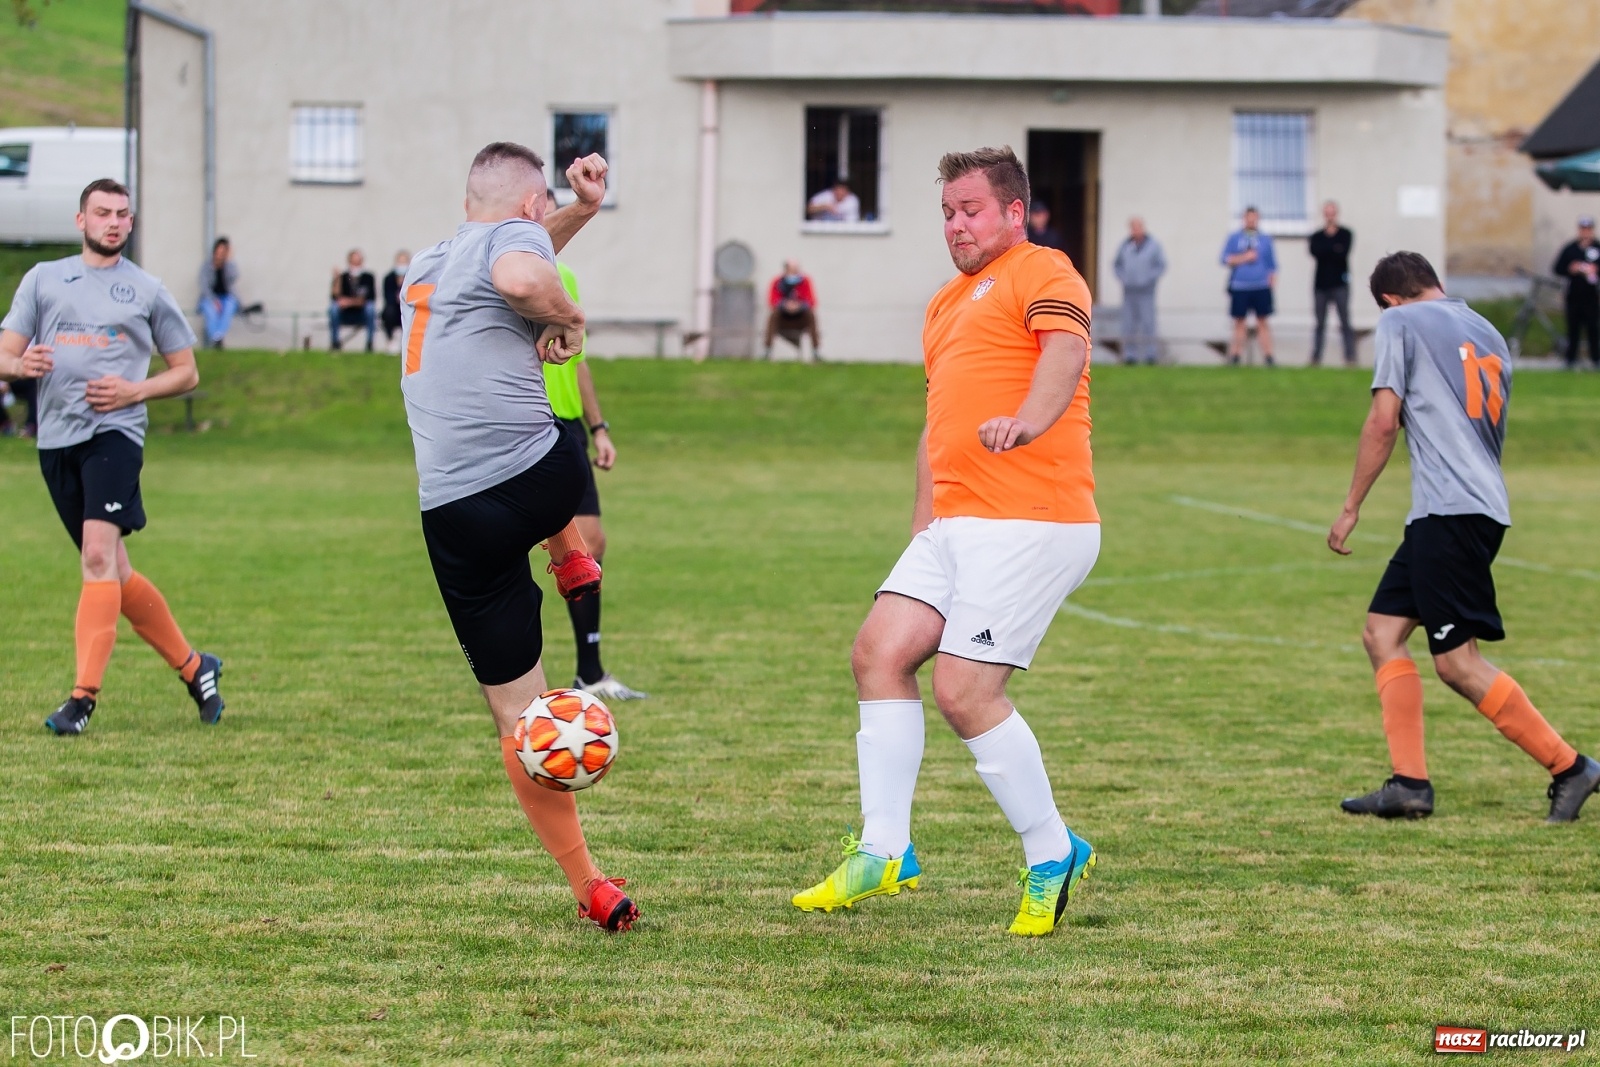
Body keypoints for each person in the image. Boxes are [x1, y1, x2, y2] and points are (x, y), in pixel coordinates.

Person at [792, 146, 1100, 937]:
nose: (956, 225)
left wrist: (1028, 420)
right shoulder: (943, 304)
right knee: (878, 653)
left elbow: (1066, 353)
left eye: (970, 210)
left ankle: (1052, 850)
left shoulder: (1044, 270)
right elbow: (940, 425)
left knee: (964, 691)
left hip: (1034, 518)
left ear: (1013, 212)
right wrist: (923, 527)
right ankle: (885, 849)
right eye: (947, 213)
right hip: (956, 526)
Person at [398, 141, 638, 931]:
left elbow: (514, 256)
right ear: (531, 205)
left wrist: (583, 212)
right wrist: (569, 319)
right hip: (537, 479)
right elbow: (523, 276)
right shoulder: (513, 245)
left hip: (452, 513)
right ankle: (569, 552)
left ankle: (589, 885)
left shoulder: (428, 265)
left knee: (522, 719)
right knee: (557, 444)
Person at [1328, 251, 1599, 823]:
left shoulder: (1400, 322)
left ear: (1390, 300)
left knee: (1457, 663)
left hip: (1451, 512)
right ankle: (1409, 785)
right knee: (1382, 632)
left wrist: (1351, 506)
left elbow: (1383, 420)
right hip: (1466, 507)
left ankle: (1570, 767)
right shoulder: (1487, 331)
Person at [0, 178, 225, 735]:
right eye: (103, 213)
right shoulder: (44, 278)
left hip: (115, 435)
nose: (114, 222)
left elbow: (187, 372)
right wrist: (20, 366)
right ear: (81, 220)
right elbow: (4, 354)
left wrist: (134, 391)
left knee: (98, 556)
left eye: (123, 214)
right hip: (56, 440)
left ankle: (81, 699)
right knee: (114, 571)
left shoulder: (147, 290)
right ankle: (195, 667)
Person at [541, 192, 647, 703]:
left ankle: (590, 673)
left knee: (590, 545)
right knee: (508, 550)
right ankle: (511, 675)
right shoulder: (502, 280)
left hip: (569, 431)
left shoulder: (565, 277)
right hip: (525, 423)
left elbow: (578, 362)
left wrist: (599, 426)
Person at [1219, 207, 1277, 366]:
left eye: (1254, 218)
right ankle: (1235, 356)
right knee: (1239, 322)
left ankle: (1269, 356)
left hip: (1261, 286)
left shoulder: (1265, 239)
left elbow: (1272, 265)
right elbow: (1225, 259)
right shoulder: (1234, 238)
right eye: (1248, 218)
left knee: (1262, 321)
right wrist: (1244, 257)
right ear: (1244, 219)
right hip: (1240, 286)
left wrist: (1271, 282)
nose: (1251, 221)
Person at [1308, 201, 1356, 366]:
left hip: (1340, 284)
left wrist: (1329, 250)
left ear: (1336, 214)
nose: (1330, 216)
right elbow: (1316, 252)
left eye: (1332, 212)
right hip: (1321, 285)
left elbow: (1342, 253)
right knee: (1320, 323)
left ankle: (1350, 357)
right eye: (1327, 213)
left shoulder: (1345, 234)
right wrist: (1333, 249)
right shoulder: (1317, 236)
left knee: (1345, 321)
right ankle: (1316, 358)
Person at [1113, 216, 1166, 365]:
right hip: (1129, 292)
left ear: (1143, 228)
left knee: (1148, 323)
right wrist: (1124, 278)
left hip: (1146, 292)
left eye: (1138, 227)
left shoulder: (1153, 246)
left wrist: (1149, 279)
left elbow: (1161, 265)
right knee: (1129, 324)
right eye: (1133, 228)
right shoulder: (1125, 246)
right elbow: (1117, 265)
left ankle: (1150, 355)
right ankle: (1130, 355)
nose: (1135, 230)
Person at [1553, 216, 1599, 369]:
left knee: (1593, 328)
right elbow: (1557, 268)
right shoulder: (1570, 249)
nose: (1585, 232)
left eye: (1588, 229)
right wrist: (1571, 269)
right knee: (1573, 329)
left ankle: (1596, 359)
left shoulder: (1597, 247)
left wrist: (1595, 269)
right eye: (1583, 229)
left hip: (1592, 296)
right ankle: (1570, 360)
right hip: (1574, 295)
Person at [763, 260, 821, 360]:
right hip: (783, 320)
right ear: (786, 270)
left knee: (810, 314)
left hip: (800, 319)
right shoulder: (777, 282)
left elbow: (811, 301)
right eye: (792, 270)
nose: (795, 272)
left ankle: (815, 352)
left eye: (796, 270)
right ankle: (767, 351)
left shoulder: (805, 281)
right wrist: (785, 305)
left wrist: (799, 306)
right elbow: (772, 301)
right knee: (774, 314)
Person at [328, 249, 377, 351]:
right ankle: (335, 342)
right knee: (333, 308)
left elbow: (369, 298)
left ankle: (369, 343)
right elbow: (335, 297)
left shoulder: (368, 277)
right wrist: (337, 278)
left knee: (371, 308)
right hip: (345, 313)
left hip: (362, 313)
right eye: (353, 262)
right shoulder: (343, 277)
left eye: (358, 262)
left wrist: (349, 302)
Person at [197, 236, 239, 350]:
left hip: (226, 298)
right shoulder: (207, 266)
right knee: (211, 311)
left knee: (229, 307)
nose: (220, 255)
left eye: (223, 252)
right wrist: (214, 300)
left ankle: (218, 336)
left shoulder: (228, 266)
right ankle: (216, 337)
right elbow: (204, 286)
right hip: (209, 298)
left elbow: (234, 277)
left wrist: (229, 261)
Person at [381, 250, 410, 352]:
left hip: (408, 307)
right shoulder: (389, 278)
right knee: (388, 313)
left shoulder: (412, 277)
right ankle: (391, 339)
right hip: (394, 308)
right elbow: (387, 297)